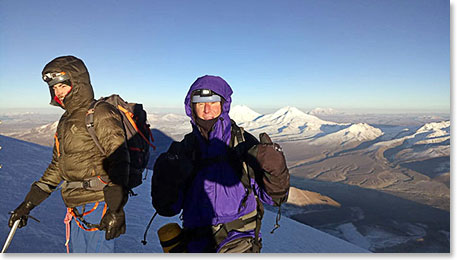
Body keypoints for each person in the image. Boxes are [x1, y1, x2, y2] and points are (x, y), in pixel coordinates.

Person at [151, 75, 290, 253]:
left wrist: (276, 170)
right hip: (195, 242)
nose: (207, 109)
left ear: (223, 105)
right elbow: (167, 208)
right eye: (200, 103)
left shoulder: (244, 145)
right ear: (191, 107)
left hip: (239, 240)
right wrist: (166, 179)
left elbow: (275, 199)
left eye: (213, 102)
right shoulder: (184, 150)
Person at [8, 56, 130, 253]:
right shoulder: (65, 120)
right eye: (54, 88)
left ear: (78, 83)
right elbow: (57, 167)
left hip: (100, 204)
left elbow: (119, 159)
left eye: (62, 86)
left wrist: (115, 209)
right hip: (75, 207)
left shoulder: (100, 112)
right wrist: (28, 204)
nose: (58, 92)